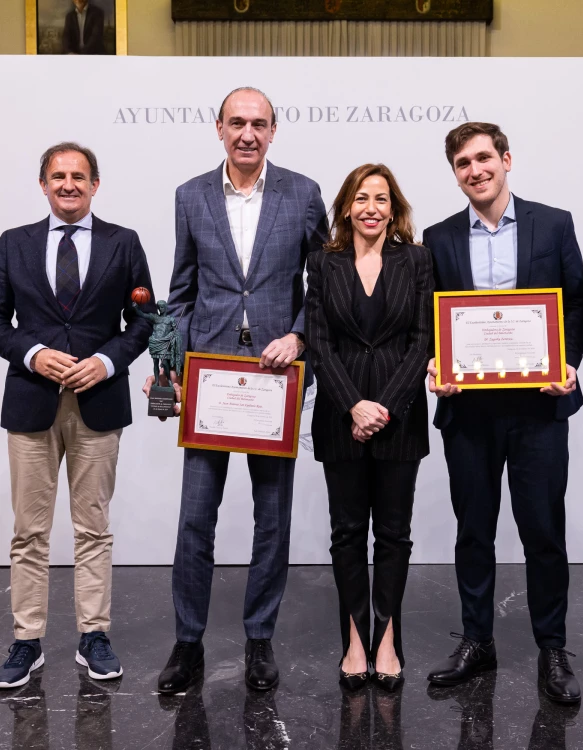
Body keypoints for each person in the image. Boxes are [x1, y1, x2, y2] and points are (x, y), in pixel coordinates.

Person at [148, 87, 328, 694]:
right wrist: (168, 359)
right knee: (195, 518)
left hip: (276, 380)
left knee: (271, 519)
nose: (247, 133)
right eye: (236, 123)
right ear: (218, 128)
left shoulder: (302, 194)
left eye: (258, 124)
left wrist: (300, 339)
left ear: (274, 130)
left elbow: (322, 287)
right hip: (209, 380)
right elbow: (182, 289)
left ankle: (259, 640)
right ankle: (188, 644)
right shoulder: (190, 195)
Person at [423, 122, 583, 703]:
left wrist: (566, 362)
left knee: (543, 531)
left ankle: (552, 648)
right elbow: (432, 321)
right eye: (463, 163)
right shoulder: (438, 236)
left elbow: (578, 300)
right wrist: (435, 365)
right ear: (455, 173)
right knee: (473, 531)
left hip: (538, 409)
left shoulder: (553, 223)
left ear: (506, 160)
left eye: (483, 158)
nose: (475, 171)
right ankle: (478, 640)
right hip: (468, 412)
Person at [0, 142, 154, 688]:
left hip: (97, 402)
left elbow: (144, 321)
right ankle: (26, 640)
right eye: (58, 176)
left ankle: (94, 634)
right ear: (43, 184)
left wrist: (107, 361)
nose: (69, 184)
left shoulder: (123, 242)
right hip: (30, 401)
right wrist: (33, 354)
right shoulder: (13, 244)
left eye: (79, 176)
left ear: (95, 184)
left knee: (93, 527)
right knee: (28, 532)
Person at [305, 164, 433, 692]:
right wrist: (354, 406)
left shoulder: (418, 259)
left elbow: (423, 340)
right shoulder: (323, 262)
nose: (372, 208)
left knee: (394, 535)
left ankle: (388, 639)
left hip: (399, 419)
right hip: (340, 418)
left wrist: (383, 407)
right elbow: (319, 341)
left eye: (381, 198)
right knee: (348, 533)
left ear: (394, 206)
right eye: (362, 198)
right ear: (346, 207)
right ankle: (356, 638)